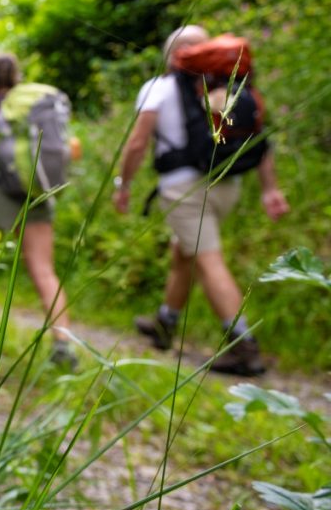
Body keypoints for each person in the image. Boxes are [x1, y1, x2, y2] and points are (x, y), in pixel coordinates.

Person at [113, 25, 290, 376]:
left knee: (208, 260)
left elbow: (137, 142)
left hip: (183, 190)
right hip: (229, 187)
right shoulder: (231, 86)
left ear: (170, 54)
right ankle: (165, 323)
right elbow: (259, 138)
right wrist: (270, 188)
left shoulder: (159, 88)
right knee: (185, 253)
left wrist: (123, 185)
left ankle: (243, 346)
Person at [0, 52, 77, 368]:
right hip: (35, 192)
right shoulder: (35, 109)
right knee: (43, 269)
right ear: (17, 77)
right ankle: (63, 344)